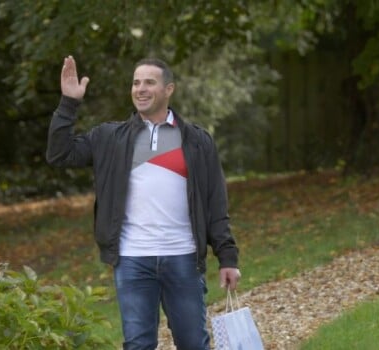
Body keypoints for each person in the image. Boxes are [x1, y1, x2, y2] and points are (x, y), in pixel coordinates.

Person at [46, 55, 240, 350]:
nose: (141, 88)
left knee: (193, 344)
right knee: (138, 345)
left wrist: (227, 257)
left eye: (150, 82)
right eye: (136, 82)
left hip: (183, 258)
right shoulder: (110, 137)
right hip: (132, 259)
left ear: (169, 89)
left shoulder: (196, 140)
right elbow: (59, 155)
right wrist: (68, 104)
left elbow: (215, 203)